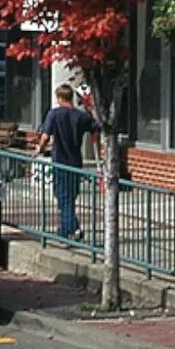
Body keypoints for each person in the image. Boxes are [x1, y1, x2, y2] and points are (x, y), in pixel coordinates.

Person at [36, 85, 103, 239]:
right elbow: (97, 126)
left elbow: (45, 136)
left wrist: (39, 149)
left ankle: (68, 229)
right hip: (75, 161)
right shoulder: (80, 116)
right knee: (70, 196)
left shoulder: (54, 114)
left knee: (62, 196)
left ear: (59, 98)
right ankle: (70, 227)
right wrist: (91, 108)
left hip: (60, 161)